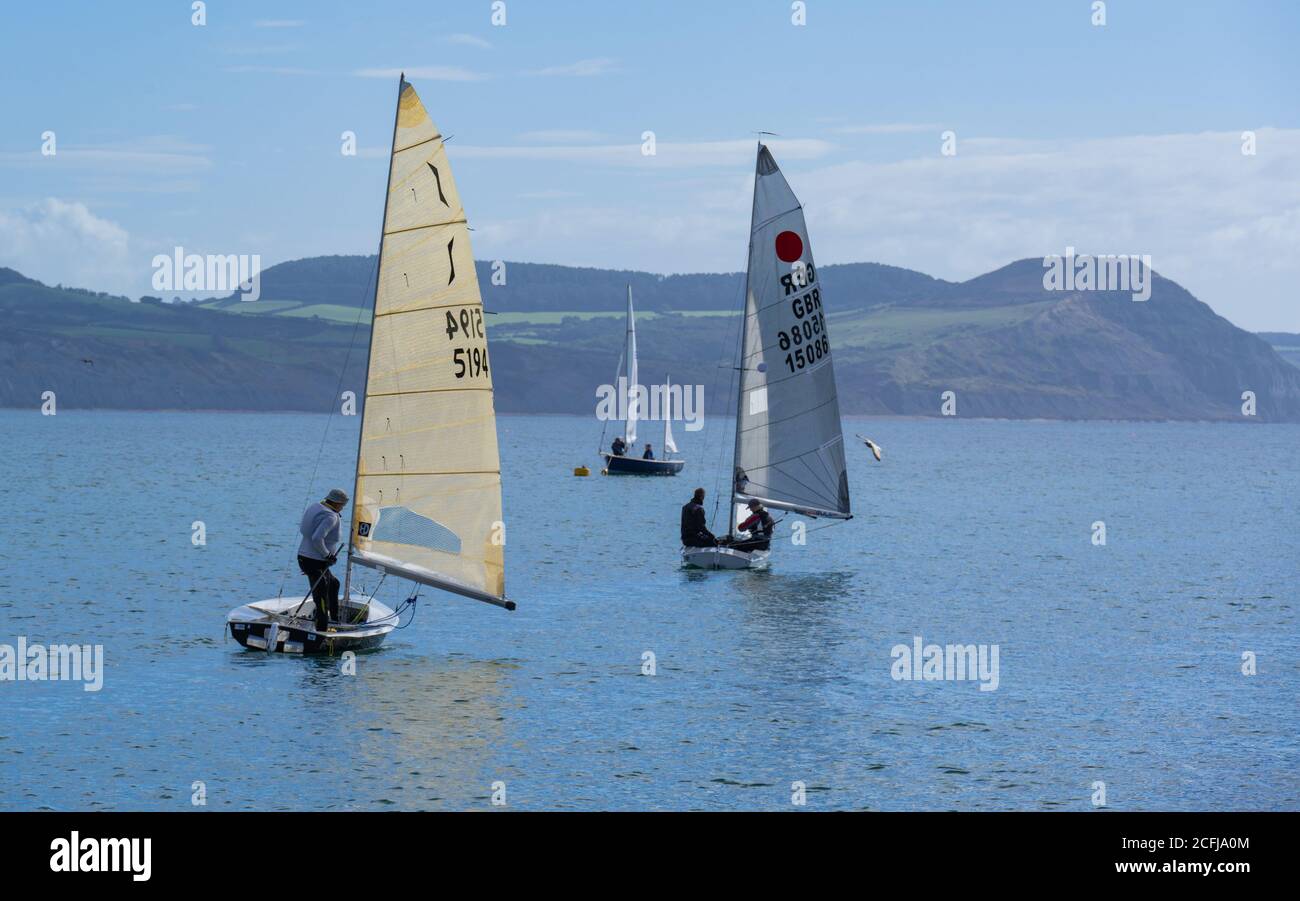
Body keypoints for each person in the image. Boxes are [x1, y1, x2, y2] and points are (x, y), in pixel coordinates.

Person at [298, 488, 348, 631]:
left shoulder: (315, 506)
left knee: (333, 584)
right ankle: (322, 629)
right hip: (313, 561)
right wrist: (328, 555)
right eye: (343, 505)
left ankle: (334, 619)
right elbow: (316, 538)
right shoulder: (331, 517)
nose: (343, 508)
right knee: (321, 594)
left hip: (306, 558)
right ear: (338, 503)